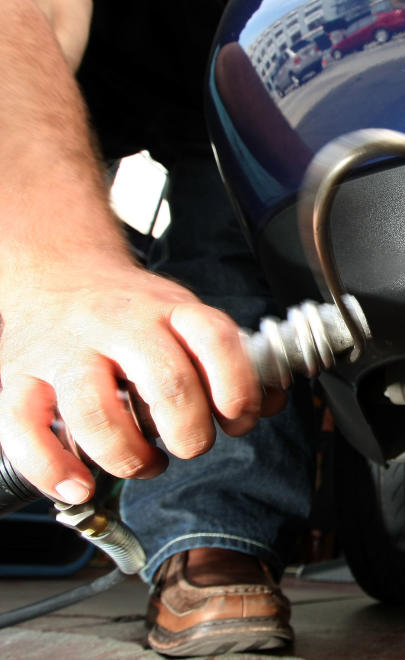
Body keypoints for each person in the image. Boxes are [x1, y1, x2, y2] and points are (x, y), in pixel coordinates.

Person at [0, 1, 315, 655]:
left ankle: (212, 533)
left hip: (244, 68)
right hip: (56, 53)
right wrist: (61, 265)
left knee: (229, 241)